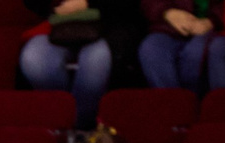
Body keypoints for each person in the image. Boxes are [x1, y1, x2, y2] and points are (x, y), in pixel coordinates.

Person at [21, 0, 140, 131]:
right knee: (34, 58)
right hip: (56, 26)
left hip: (107, 26)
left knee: (96, 59)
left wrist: (88, 4)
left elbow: (129, 7)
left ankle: (83, 128)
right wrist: (55, 5)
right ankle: (61, 122)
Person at [140, 0, 225, 91]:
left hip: (207, 30)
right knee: (151, 49)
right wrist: (168, 12)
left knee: (197, 51)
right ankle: (171, 102)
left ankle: (192, 101)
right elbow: (148, 3)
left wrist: (211, 22)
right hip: (167, 28)